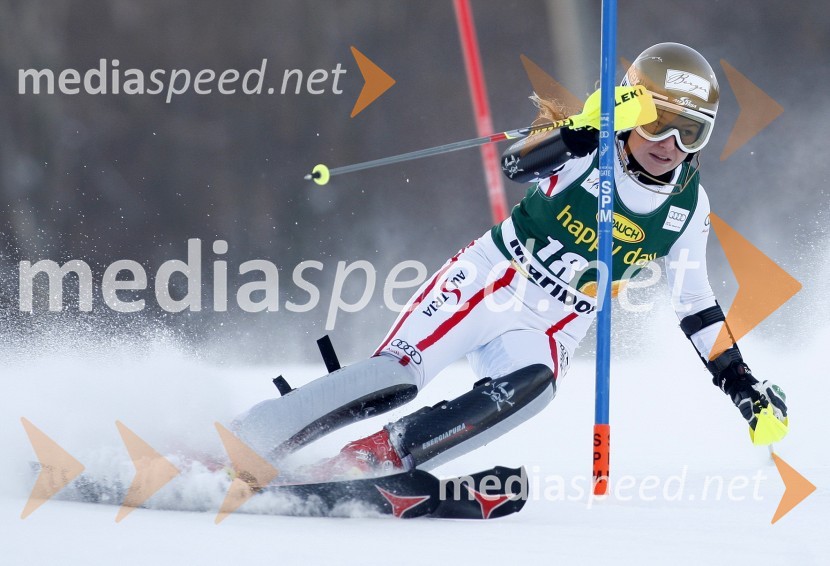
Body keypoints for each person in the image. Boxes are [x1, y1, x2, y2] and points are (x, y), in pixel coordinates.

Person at [231, 43, 788, 479]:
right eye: (655, 121)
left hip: (555, 325)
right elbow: (516, 166)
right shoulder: (589, 148)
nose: (668, 143)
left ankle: (375, 458)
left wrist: (739, 381)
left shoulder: (689, 208)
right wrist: (578, 132)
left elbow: (696, 304)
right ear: (629, 109)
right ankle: (249, 438)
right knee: (395, 378)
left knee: (534, 388)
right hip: (491, 282)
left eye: (688, 131)